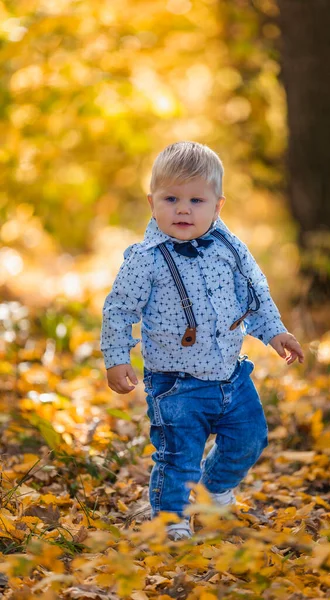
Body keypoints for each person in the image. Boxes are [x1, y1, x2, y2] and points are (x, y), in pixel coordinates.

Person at [101, 141, 304, 540]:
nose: (183, 209)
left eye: (196, 200)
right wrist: (116, 356)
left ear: (217, 206)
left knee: (250, 438)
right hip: (175, 383)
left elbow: (254, 293)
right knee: (179, 457)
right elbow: (119, 308)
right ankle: (172, 519)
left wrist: (275, 331)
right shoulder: (147, 258)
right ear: (152, 202)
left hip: (231, 375)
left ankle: (211, 493)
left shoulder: (230, 248)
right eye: (171, 198)